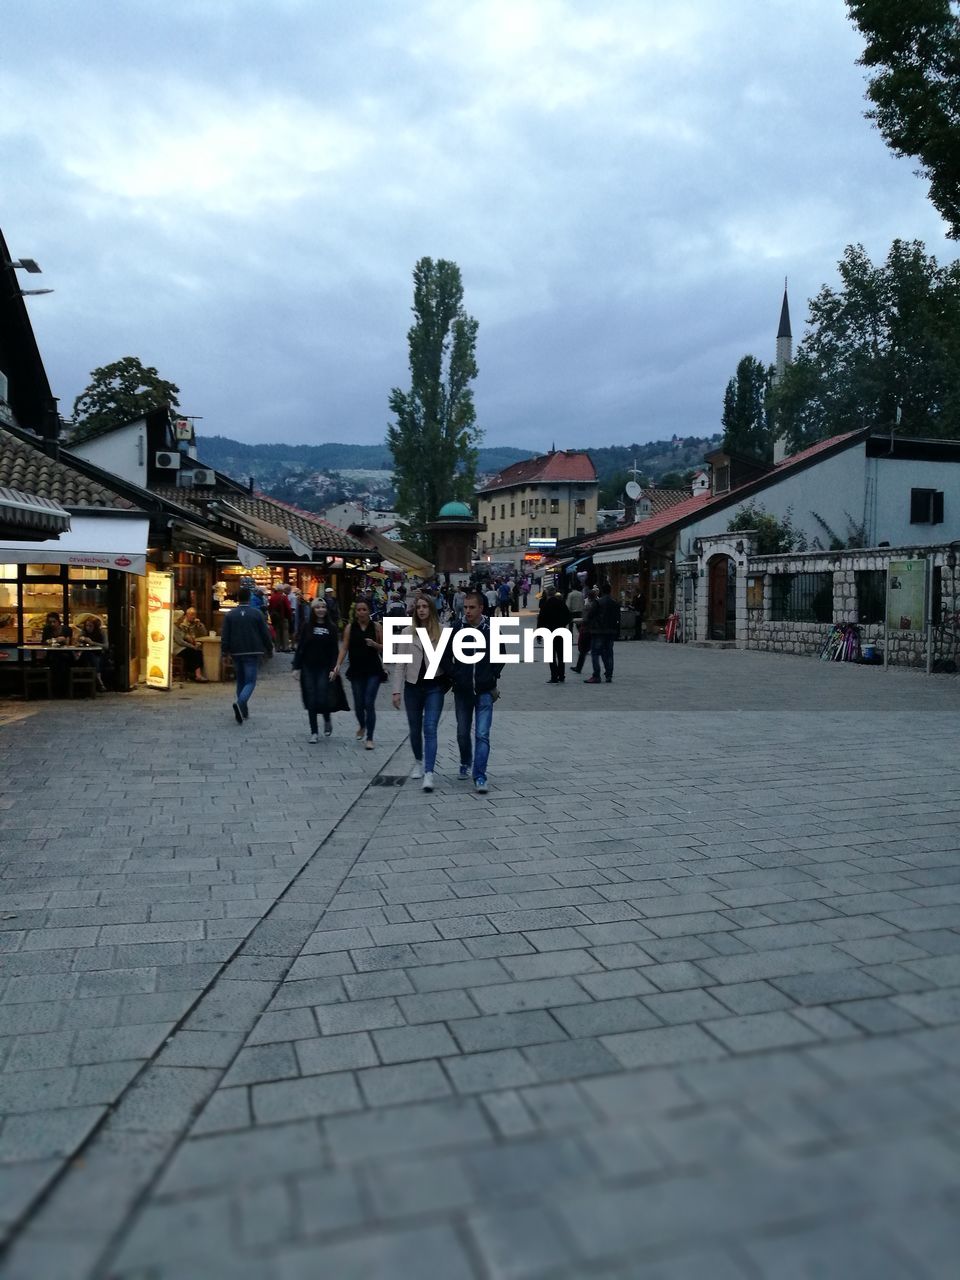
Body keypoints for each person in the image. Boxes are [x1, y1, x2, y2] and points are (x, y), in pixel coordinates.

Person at [391, 594, 448, 792]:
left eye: (425, 606)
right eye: (418, 607)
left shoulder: (441, 631)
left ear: (431, 609)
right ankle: (418, 761)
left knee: (430, 728)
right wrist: (396, 691)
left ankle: (430, 773)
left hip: (435, 687)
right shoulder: (407, 632)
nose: (421, 610)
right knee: (414, 729)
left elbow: (449, 660)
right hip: (413, 687)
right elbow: (400, 664)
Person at [451, 590, 504, 794]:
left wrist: (492, 676)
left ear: (481, 608)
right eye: (465, 607)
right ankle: (466, 760)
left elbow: (501, 655)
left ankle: (480, 775)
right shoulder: (456, 628)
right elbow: (445, 655)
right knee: (462, 733)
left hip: (484, 690)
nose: (467, 611)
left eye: (472, 607)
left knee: (482, 734)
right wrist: (455, 675)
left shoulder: (491, 629)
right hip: (463, 691)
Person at [292, 597, 349, 742]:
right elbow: (301, 648)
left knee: (323, 697)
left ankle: (327, 718)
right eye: (317, 607)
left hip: (324, 668)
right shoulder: (307, 627)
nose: (321, 610)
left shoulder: (331, 627)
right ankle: (314, 732)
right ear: (313, 610)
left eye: (323, 607)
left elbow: (334, 651)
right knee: (311, 699)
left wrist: (334, 668)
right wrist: (296, 667)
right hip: (308, 668)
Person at [335, 598, 384, 749]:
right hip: (356, 670)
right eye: (359, 610)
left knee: (369, 702)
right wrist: (338, 664)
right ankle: (362, 725)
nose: (362, 612)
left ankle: (370, 738)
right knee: (358, 704)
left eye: (364, 609)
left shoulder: (376, 627)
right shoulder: (350, 628)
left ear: (369, 611)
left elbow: (385, 647)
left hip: (373, 669)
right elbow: (344, 647)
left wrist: (375, 644)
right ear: (355, 612)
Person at [221, 586, 273, 723]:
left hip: (236, 651)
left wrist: (224, 652)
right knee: (250, 681)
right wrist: (269, 648)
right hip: (253, 650)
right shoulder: (257, 614)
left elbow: (225, 635)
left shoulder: (230, 615)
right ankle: (241, 702)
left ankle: (243, 710)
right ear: (249, 598)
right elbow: (264, 633)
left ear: (237, 598)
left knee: (241, 680)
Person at [584, 582, 620, 684]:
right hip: (611, 631)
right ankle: (609, 675)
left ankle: (596, 675)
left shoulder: (598, 602)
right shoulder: (615, 602)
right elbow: (618, 618)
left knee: (595, 653)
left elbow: (590, 615)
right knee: (609, 653)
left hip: (598, 631)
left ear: (602, 591)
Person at [537, 586, 572, 684]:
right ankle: (561, 675)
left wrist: (539, 634)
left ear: (547, 593)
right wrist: (562, 625)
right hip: (560, 631)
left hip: (549, 632)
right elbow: (568, 617)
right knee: (561, 655)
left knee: (551, 655)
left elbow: (541, 620)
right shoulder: (561, 603)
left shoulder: (545, 604)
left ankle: (554, 676)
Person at [173, 607, 208, 682]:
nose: (194, 616)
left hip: (189, 645)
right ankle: (197, 675)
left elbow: (205, 634)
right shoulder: (179, 626)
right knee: (193, 652)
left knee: (198, 652)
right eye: (191, 614)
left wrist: (199, 626)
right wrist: (193, 645)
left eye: (195, 614)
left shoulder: (180, 626)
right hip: (179, 648)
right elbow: (181, 641)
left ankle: (195, 674)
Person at [76, 616, 107, 690]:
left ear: (95, 626)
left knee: (93, 657)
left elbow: (106, 646)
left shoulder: (102, 632)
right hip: (86, 654)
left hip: (99, 654)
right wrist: (80, 639)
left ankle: (94, 679)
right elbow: (76, 642)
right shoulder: (84, 632)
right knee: (88, 655)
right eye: (87, 626)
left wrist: (92, 643)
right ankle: (98, 679)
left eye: (90, 626)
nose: (88, 628)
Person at [571, 586, 597, 675]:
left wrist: (579, 621)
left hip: (587, 630)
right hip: (596, 630)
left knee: (583, 651)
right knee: (593, 650)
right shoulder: (598, 604)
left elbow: (585, 619)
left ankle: (579, 668)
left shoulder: (588, 606)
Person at [268, 583, 293, 652]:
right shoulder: (283, 597)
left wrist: (271, 615)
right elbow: (288, 608)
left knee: (277, 632)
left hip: (275, 618)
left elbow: (269, 608)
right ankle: (285, 647)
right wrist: (289, 617)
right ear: (282, 590)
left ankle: (277, 647)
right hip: (283, 617)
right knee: (285, 632)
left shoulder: (272, 597)